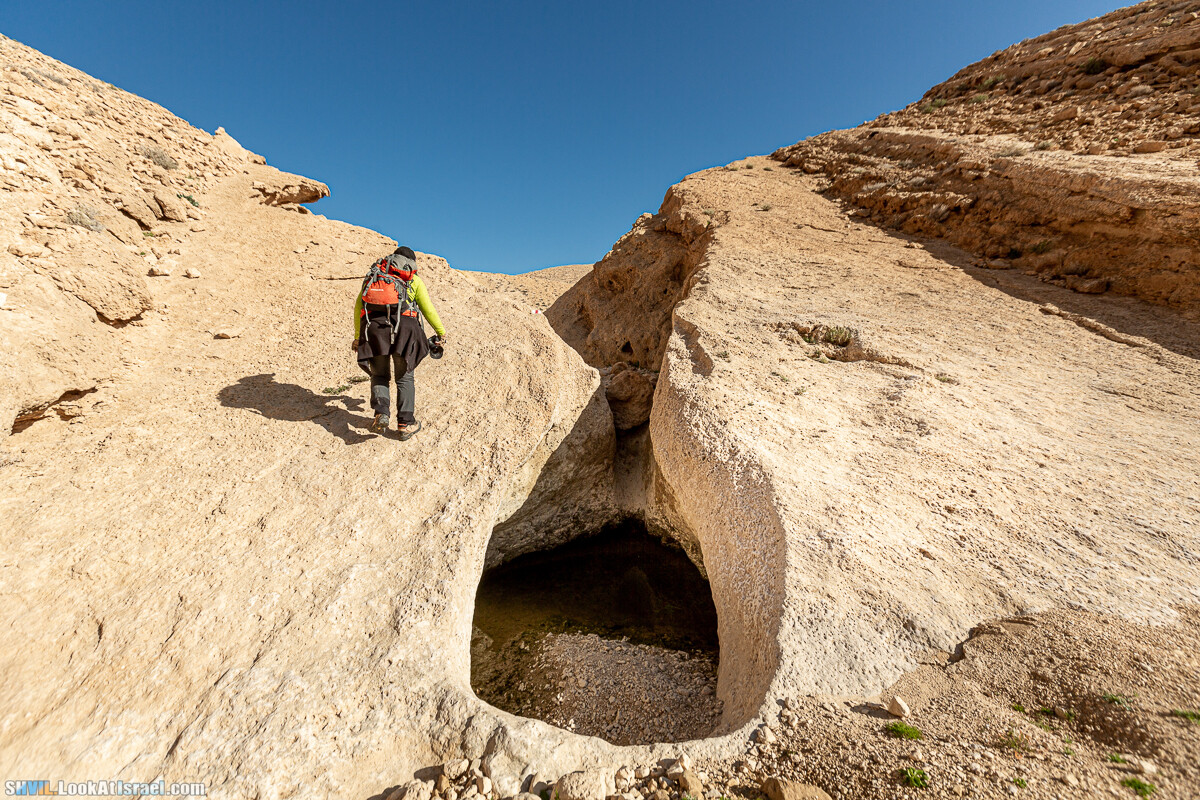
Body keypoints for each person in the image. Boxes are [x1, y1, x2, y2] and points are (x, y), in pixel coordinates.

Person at [352, 246, 447, 439]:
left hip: (375, 330)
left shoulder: (375, 276)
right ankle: (405, 424)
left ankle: (381, 413)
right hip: (404, 331)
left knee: (379, 375)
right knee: (404, 378)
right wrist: (441, 332)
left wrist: (357, 336)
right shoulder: (413, 279)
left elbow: (358, 307)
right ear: (410, 264)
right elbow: (428, 309)